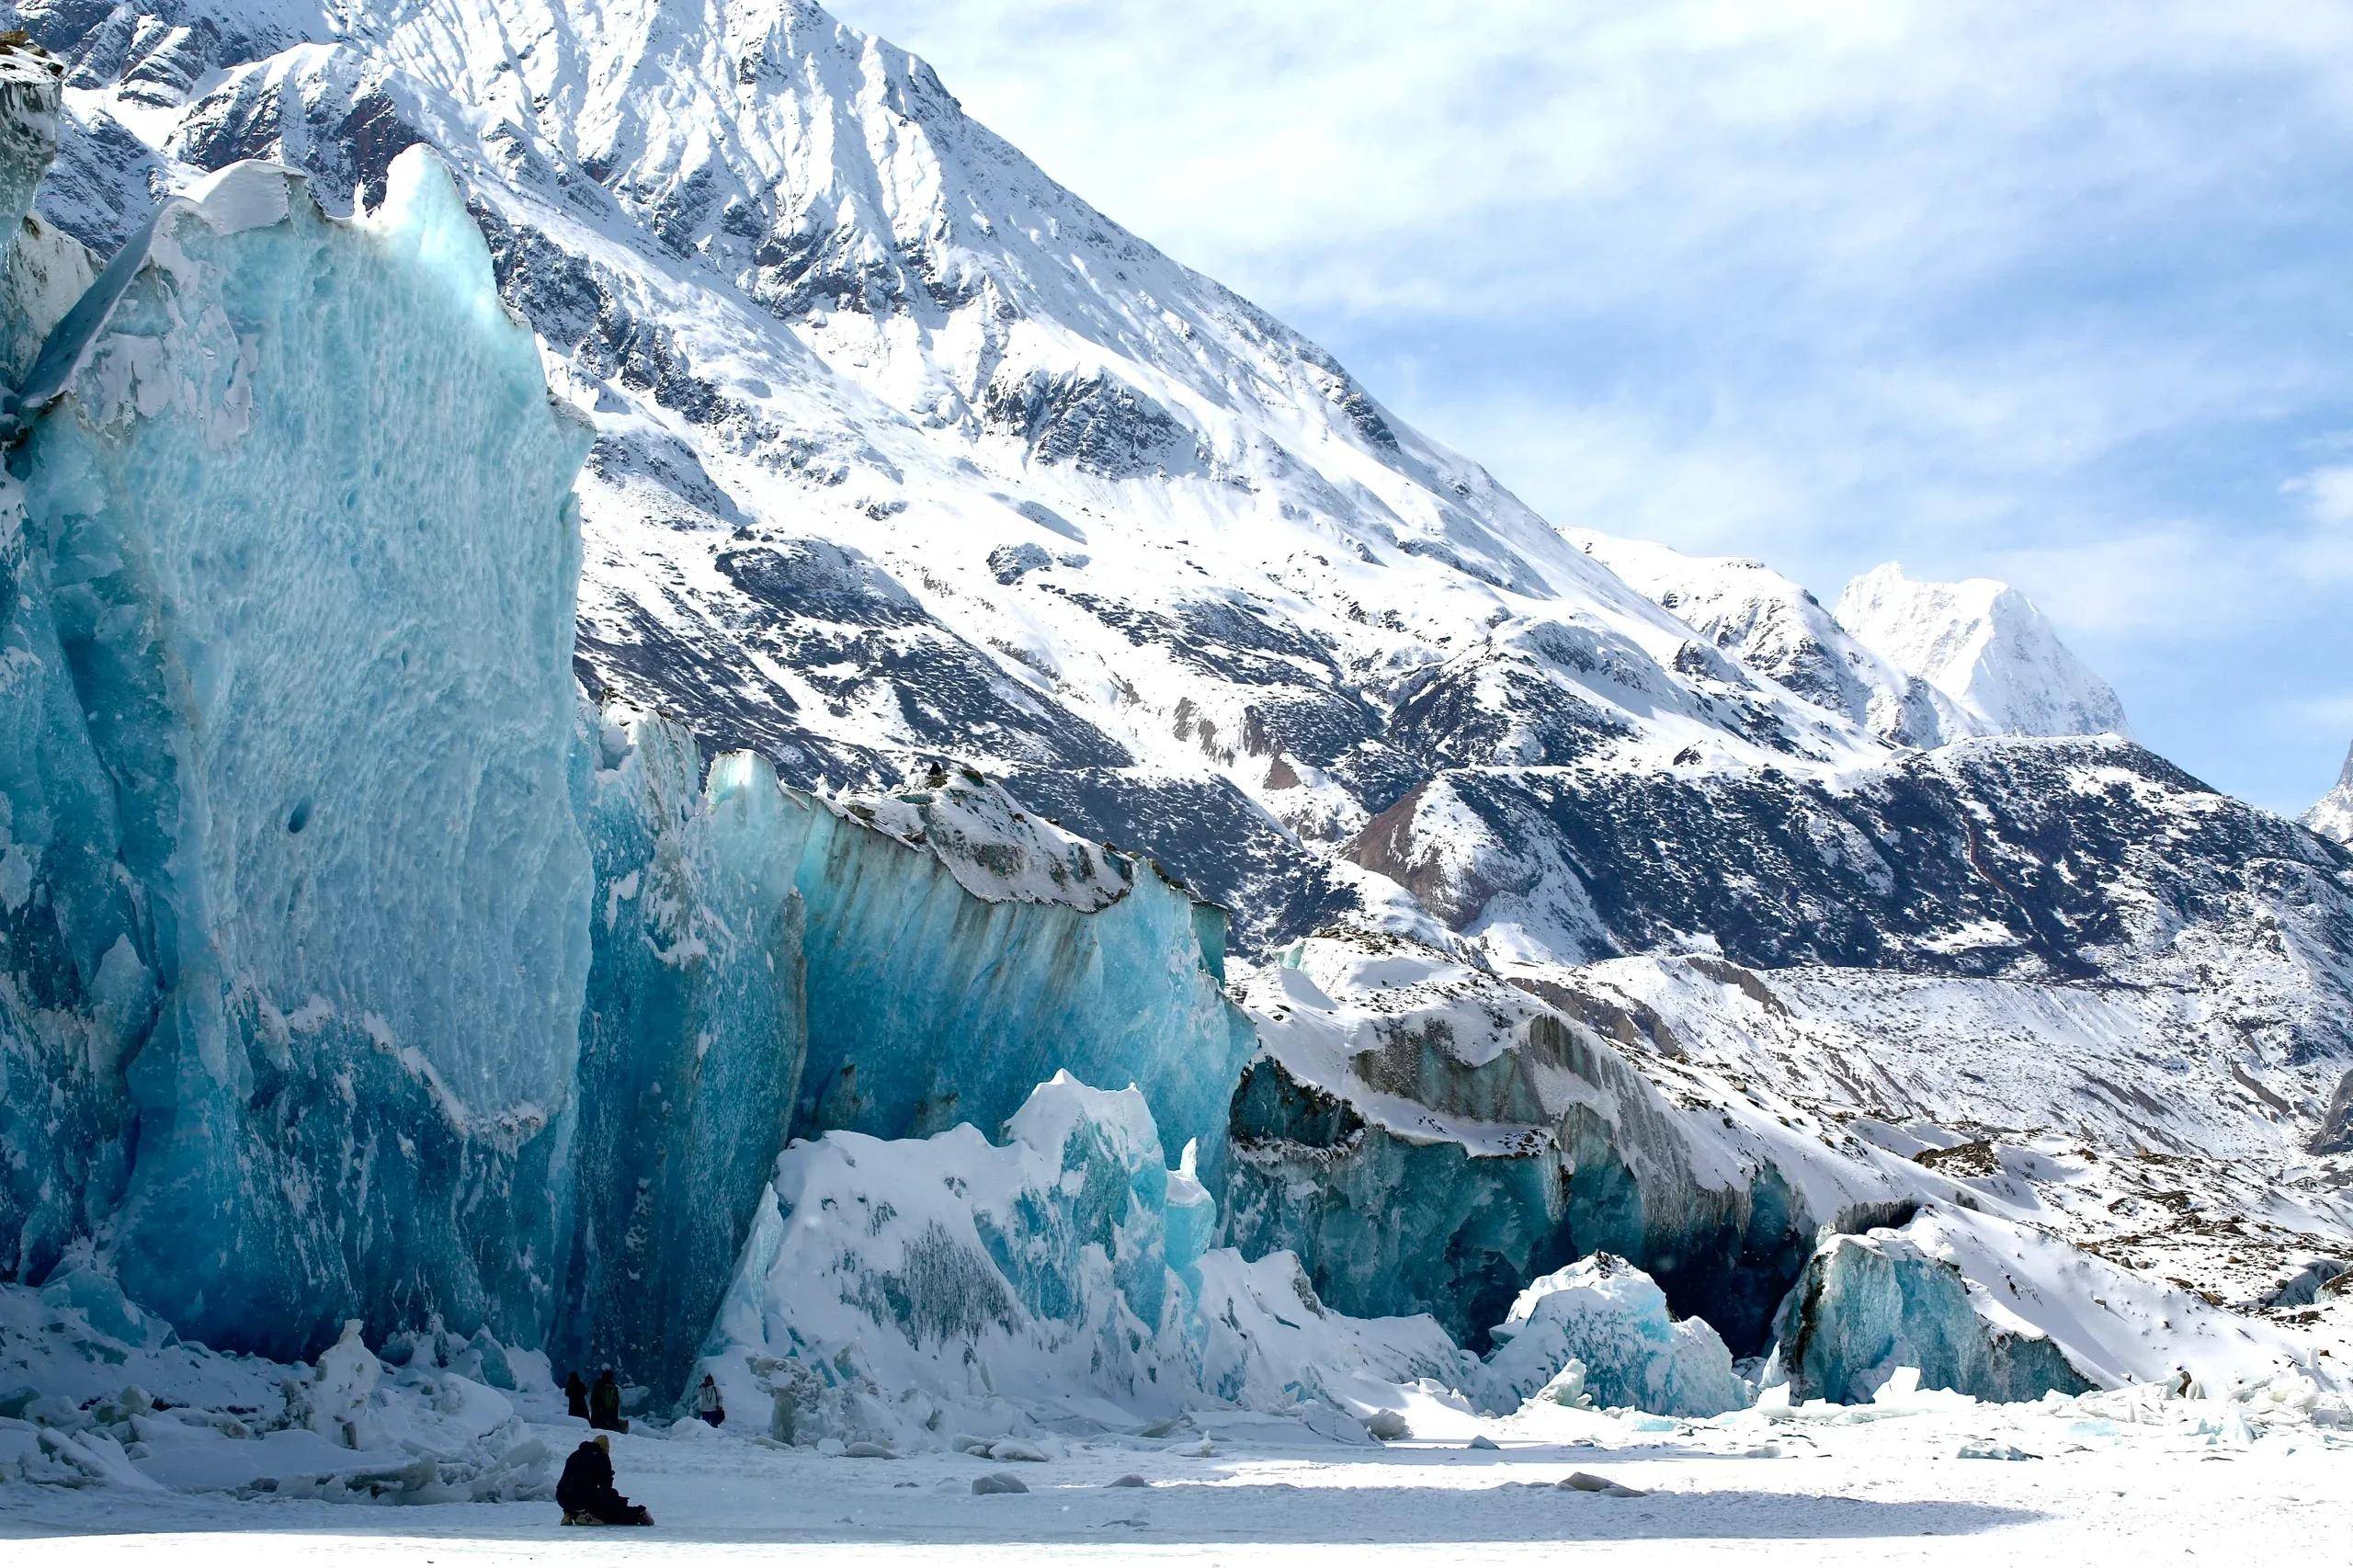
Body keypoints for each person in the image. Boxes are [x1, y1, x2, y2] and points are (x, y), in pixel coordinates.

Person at [555, 1434, 652, 1527]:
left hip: (562, 1497)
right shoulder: (601, 1456)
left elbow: (572, 1479)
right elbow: (606, 1488)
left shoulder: (575, 1455)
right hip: (582, 1499)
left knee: (577, 1493)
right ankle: (638, 1515)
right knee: (610, 1504)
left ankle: (570, 1513)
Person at [589, 1368, 627, 1433]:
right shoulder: (614, 1387)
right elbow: (616, 1404)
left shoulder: (598, 1385)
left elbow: (593, 1401)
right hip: (611, 1419)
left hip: (598, 1419)